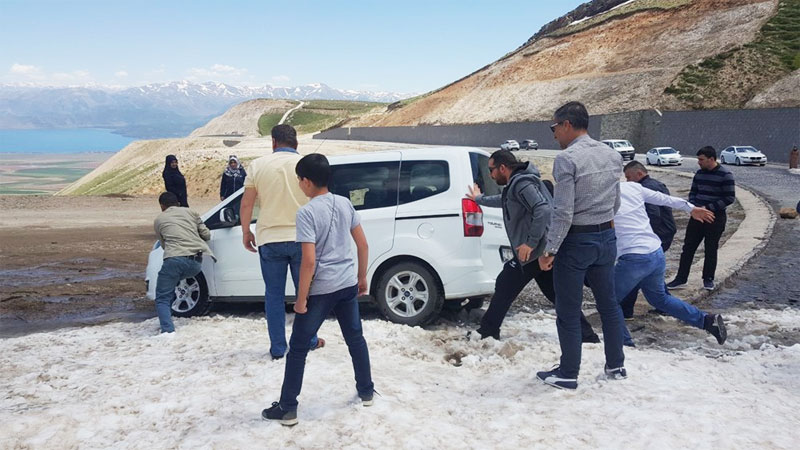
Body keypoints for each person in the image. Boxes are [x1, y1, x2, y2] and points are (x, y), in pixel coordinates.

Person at [262, 153, 374, 426]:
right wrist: (362, 277)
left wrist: (301, 300)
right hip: (347, 282)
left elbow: (309, 261)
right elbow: (363, 245)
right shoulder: (345, 203)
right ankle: (366, 390)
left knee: (298, 347)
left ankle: (288, 407)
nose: (299, 184)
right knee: (355, 338)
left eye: (300, 179)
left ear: (308, 182)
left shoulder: (307, 213)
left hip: (322, 289)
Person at [535, 101, 626, 390]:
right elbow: (616, 202)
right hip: (606, 237)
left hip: (576, 241)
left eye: (554, 127)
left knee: (568, 308)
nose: (553, 134)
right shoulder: (611, 155)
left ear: (566, 125)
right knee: (609, 304)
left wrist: (550, 249)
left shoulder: (567, 159)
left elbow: (563, 211)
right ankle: (616, 365)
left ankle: (568, 372)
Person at [466, 149, 599, 343]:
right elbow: (505, 201)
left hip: (534, 252)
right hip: (542, 250)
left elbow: (542, 209)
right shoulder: (520, 183)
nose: (491, 175)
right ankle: (587, 335)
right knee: (556, 294)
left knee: (505, 284)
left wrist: (530, 243)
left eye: (492, 170)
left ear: (503, 168)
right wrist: (479, 199)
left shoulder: (521, 183)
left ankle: (488, 330)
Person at [240, 124, 322, 360]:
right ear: (296, 142)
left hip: (269, 239)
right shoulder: (308, 165)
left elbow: (247, 203)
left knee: (273, 296)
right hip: (303, 239)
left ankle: (278, 348)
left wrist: (246, 232)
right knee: (305, 293)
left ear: (274, 142)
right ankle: (310, 340)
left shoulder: (258, 165)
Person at [614, 182, 727, 346]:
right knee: (660, 299)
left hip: (633, 257)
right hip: (655, 252)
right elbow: (665, 199)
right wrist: (691, 208)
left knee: (608, 302)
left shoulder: (599, 197)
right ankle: (707, 321)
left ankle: (625, 345)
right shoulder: (632, 187)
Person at [667, 146, 735, 291]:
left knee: (711, 248)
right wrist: (694, 207)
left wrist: (708, 208)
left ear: (711, 159)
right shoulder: (699, 174)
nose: (699, 162)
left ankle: (708, 279)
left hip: (714, 217)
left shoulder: (726, 175)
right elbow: (693, 192)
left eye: (701, 159)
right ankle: (681, 278)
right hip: (697, 215)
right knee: (688, 248)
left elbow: (729, 198)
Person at [619, 161, 677, 318]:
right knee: (648, 272)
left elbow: (653, 215)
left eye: (629, 177)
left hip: (656, 234)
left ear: (639, 174)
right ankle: (664, 305)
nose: (627, 182)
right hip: (665, 231)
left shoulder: (645, 187)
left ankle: (626, 311)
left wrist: (643, 235)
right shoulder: (657, 183)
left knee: (636, 273)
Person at [153, 192, 214, 333]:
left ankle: (167, 330)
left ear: (162, 206)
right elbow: (206, 235)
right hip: (195, 263)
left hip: (173, 260)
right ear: (178, 203)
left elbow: (164, 245)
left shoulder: (159, 220)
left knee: (162, 296)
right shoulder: (192, 213)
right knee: (174, 281)